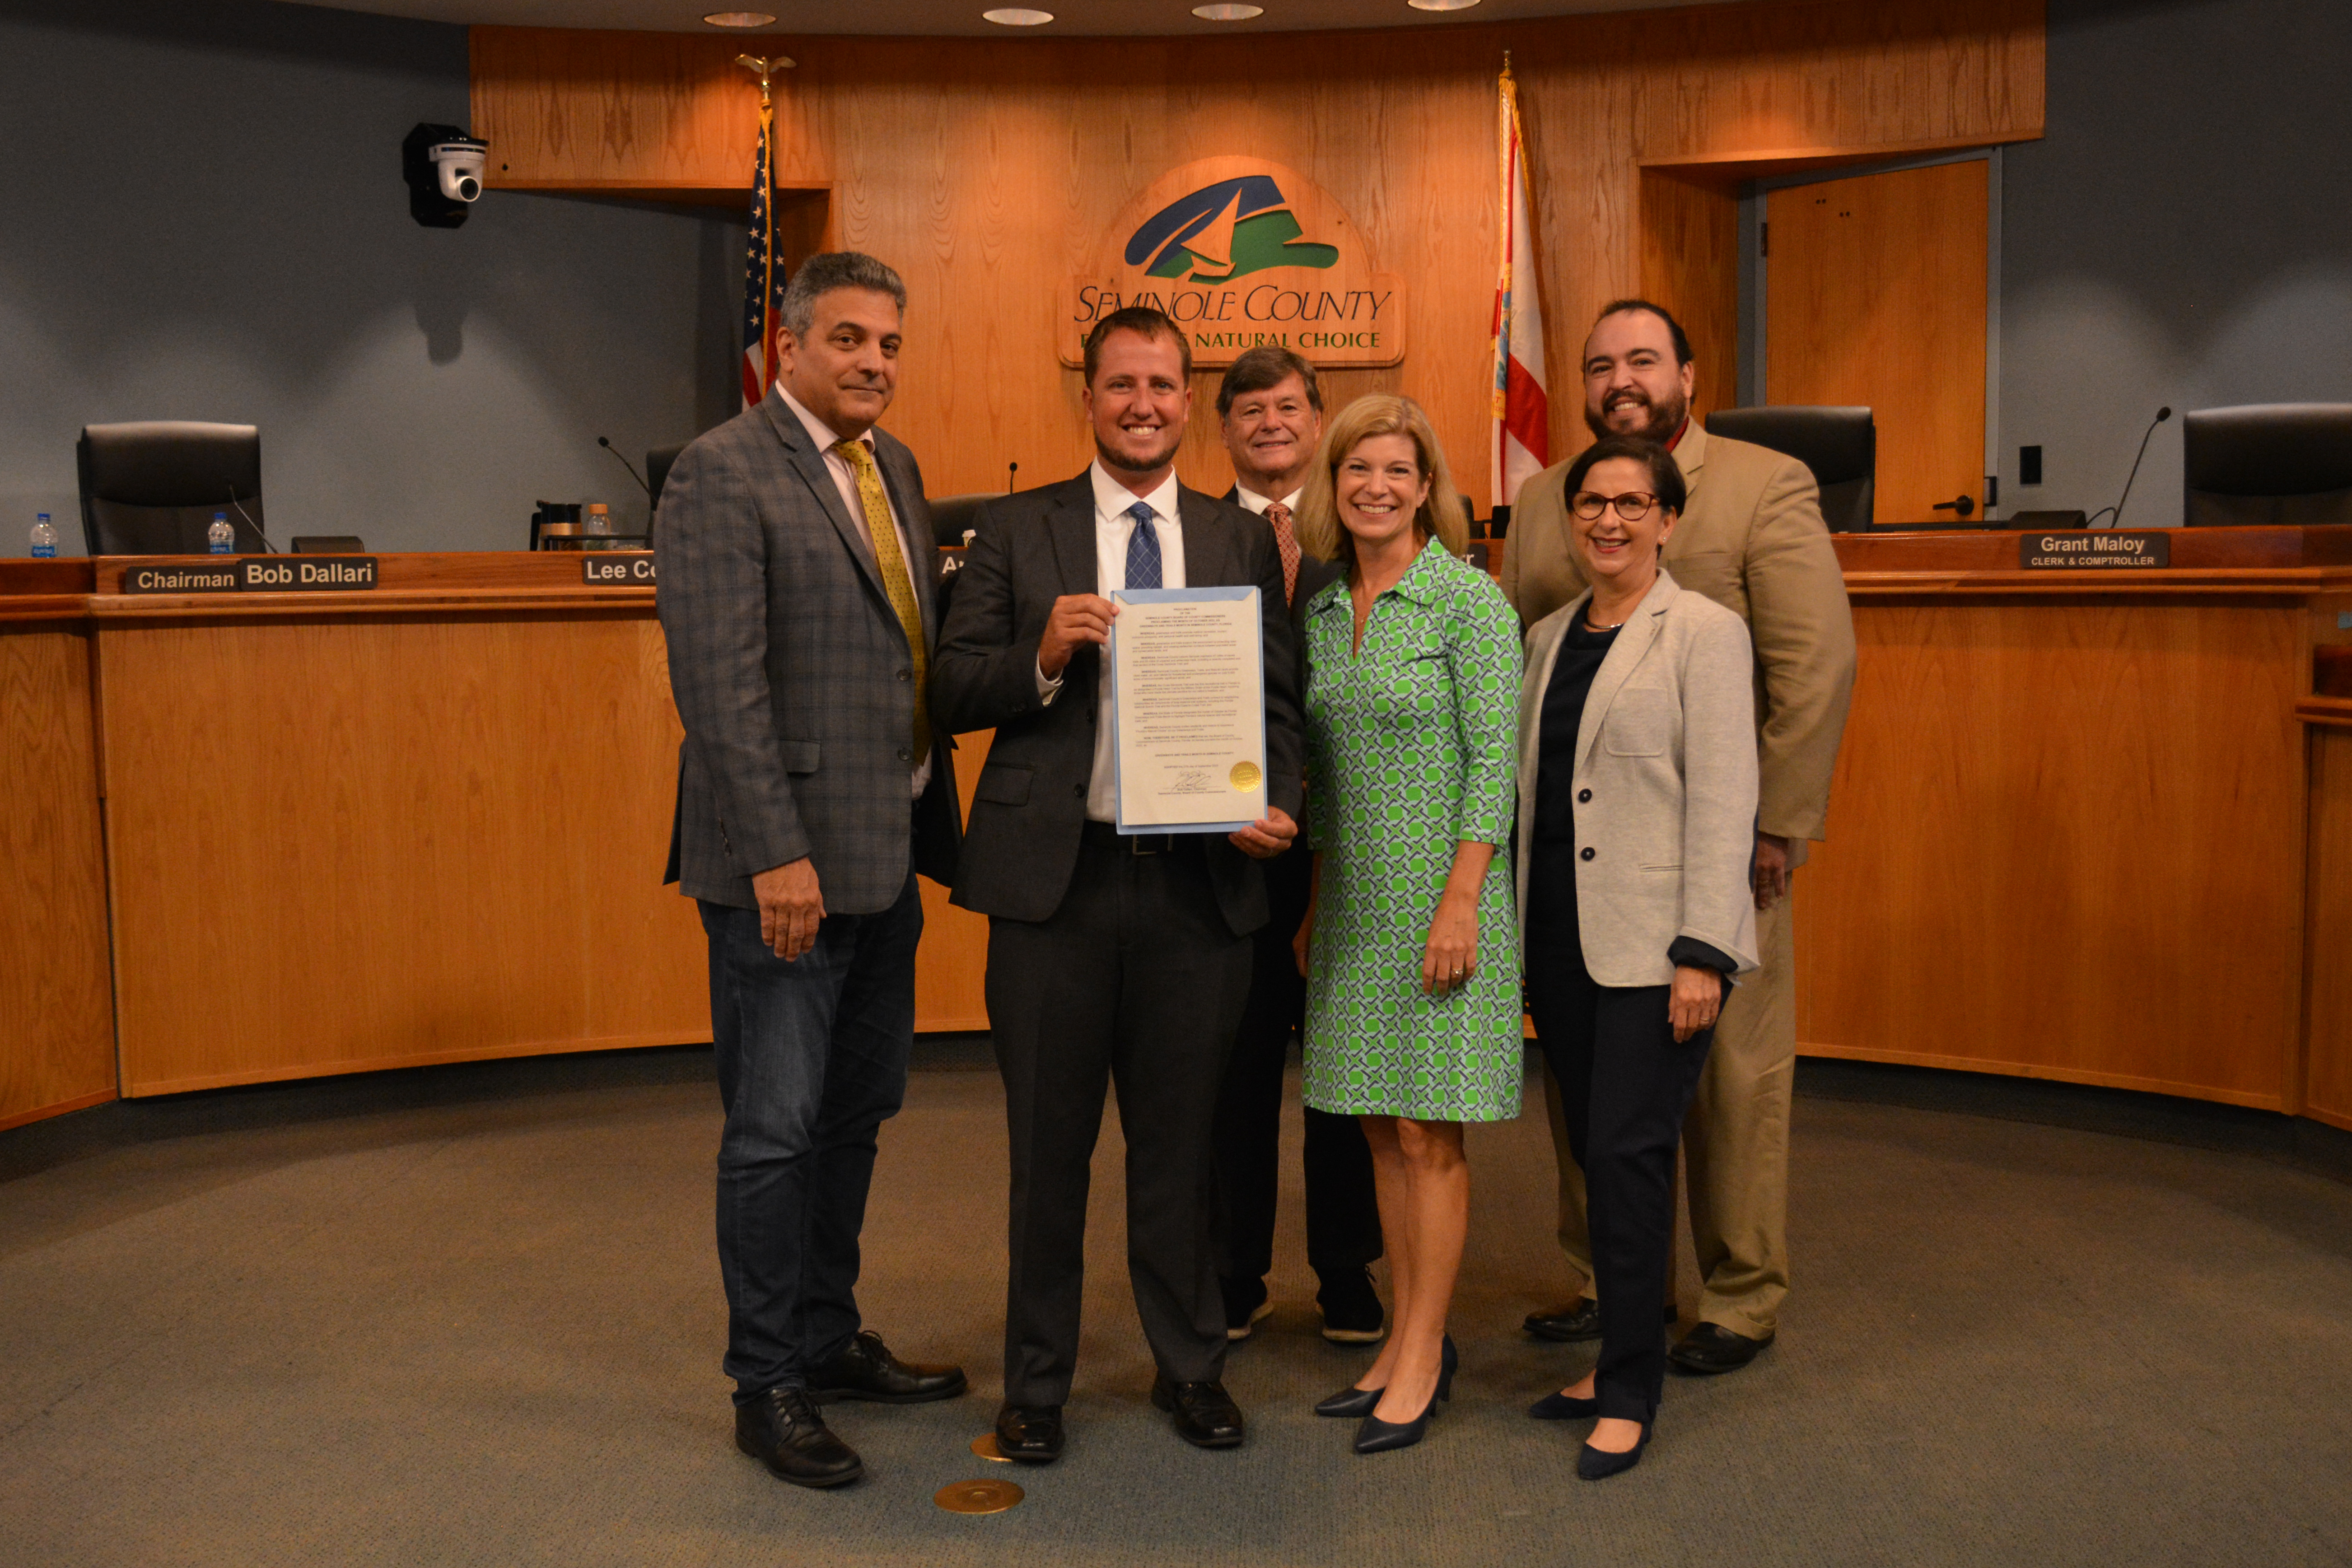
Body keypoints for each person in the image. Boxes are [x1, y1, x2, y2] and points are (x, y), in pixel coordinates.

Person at [931, 305, 1305, 1464]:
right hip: (1060, 893)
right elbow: (949, 687)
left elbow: (1279, 707)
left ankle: (1190, 1365)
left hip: (1198, 894)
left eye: (1162, 385)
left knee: (1182, 1146)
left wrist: (1278, 803)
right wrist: (1040, 656)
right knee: (1048, 1152)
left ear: (1188, 402)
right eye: (1120, 385)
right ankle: (1036, 1383)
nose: (1142, 404)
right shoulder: (1012, 529)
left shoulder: (1234, 539)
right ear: (1086, 400)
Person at [656, 251, 969, 1492]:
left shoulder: (894, 468)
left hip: (884, 857)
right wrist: (779, 851)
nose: (874, 365)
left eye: (889, 344)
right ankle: (766, 1379)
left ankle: (828, 1336)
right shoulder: (719, 474)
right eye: (848, 340)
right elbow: (719, 691)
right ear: (788, 346)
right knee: (775, 1134)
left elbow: (904, 661)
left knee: (857, 1113)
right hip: (781, 874)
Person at [1503, 299, 1856, 1374]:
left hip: (1719, 847)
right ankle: (1617, 1280)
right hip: (1571, 862)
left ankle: (1740, 1293)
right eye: (1602, 364)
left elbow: (1814, 666)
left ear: (1688, 377)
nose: (1622, 378)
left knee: (1732, 1079)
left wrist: (1777, 824)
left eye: (1644, 359)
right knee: (1590, 1085)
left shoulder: (1762, 483)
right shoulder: (1537, 499)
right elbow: (1521, 659)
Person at [1515, 434, 1759, 1480]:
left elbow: (1725, 799)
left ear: (1668, 518)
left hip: (1659, 949)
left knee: (1628, 1153)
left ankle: (1628, 1387)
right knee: (1595, 1158)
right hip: (1562, 940)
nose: (1608, 520)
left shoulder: (1707, 632)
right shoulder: (1545, 636)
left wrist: (1703, 948)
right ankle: (1619, 1349)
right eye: (1591, 503)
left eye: (1631, 502)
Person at [1290, 394, 1523, 1455]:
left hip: (1446, 906)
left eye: (1399, 469)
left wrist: (1464, 898)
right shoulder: (1326, 605)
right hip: (1352, 905)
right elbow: (1322, 772)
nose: (1377, 486)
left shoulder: (1468, 602)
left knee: (1431, 1134)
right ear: (1331, 485)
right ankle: (1395, 1341)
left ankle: (1424, 1354)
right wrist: (1309, 902)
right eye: (1357, 469)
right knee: (1381, 1129)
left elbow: (1495, 763)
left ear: (1429, 487)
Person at [1208, 346, 1385, 1348]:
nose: (1271, 422)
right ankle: (1234, 1265)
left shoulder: (1361, 531)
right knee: (1232, 1068)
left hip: (1345, 855)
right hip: (1228, 852)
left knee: (1342, 1068)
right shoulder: (1190, 534)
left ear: (1317, 420)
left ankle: (1346, 1267)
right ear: (1224, 428)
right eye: (1250, 410)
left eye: (1289, 406)